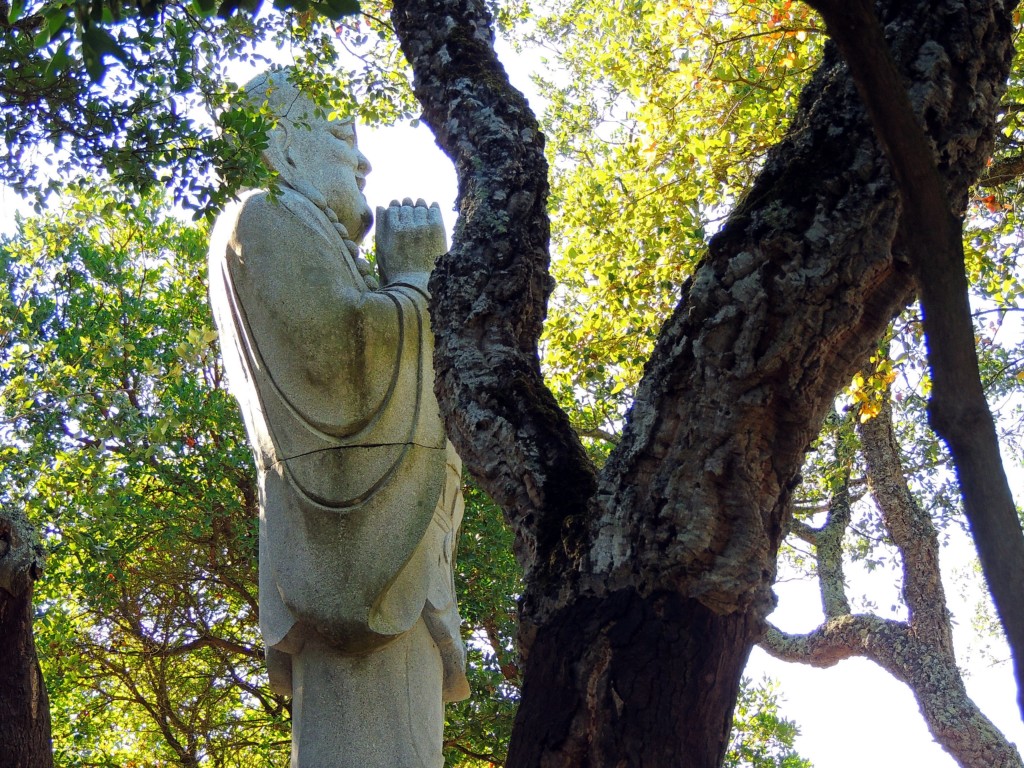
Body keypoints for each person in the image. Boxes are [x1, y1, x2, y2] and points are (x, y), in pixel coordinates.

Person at [208, 69, 468, 768]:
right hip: (355, 555)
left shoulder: (318, 239)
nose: (363, 162)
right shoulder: (263, 218)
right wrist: (414, 278)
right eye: (337, 136)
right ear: (283, 146)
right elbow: (339, 362)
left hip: (405, 562)